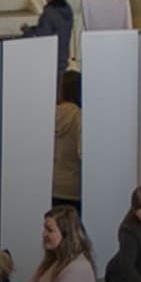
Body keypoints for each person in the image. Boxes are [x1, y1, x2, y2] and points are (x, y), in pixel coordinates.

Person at [22, 0, 76, 71]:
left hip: (52, 59)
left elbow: (42, 36)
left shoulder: (49, 13)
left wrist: (27, 31)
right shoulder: (67, 9)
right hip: (64, 56)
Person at [54, 70, 83, 207]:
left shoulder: (49, 113)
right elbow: (82, 152)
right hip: (73, 188)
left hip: (50, 185)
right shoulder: (79, 116)